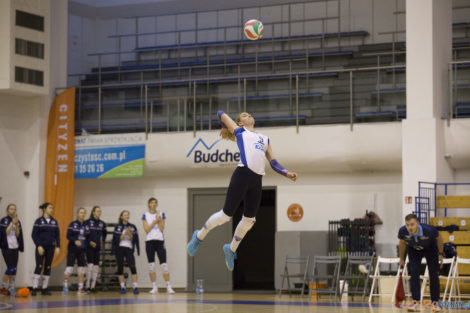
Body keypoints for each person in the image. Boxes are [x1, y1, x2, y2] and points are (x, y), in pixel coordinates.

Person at [187, 111, 298, 271]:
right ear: (239, 123)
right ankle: (199, 236)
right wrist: (226, 125)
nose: (249, 115)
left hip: (257, 180)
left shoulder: (265, 139)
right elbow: (219, 113)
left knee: (249, 221)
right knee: (226, 216)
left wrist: (286, 173)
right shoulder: (240, 131)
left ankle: (230, 250)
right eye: (244, 115)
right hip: (242, 175)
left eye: (250, 114)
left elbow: (273, 162)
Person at [398, 213, 443, 309]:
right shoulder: (402, 231)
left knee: (433, 273)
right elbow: (402, 243)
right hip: (414, 250)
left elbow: (439, 238)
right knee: (414, 273)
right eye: (407, 225)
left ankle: (435, 303)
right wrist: (401, 258)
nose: (409, 227)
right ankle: (416, 303)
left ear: (417, 223)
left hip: (430, 249)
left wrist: (440, 254)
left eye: (412, 224)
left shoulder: (429, 230)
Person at [142, 197, 175, 294]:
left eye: (155, 203)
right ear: (149, 204)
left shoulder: (161, 214)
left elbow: (161, 228)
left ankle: (168, 286)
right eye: (152, 202)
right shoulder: (145, 215)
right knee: (151, 265)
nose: (154, 204)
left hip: (160, 241)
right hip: (149, 242)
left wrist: (159, 220)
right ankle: (154, 286)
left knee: (164, 265)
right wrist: (155, 221)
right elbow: (147, 229)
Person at [31, 202, 60, 296]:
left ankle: (44, 288)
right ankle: (34, 288)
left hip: (51, 247)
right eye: (50, 208)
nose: (51, 209)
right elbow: (34, 235)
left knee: (48, 267)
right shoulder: (38, 221)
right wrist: (38, 245)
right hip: (41, 248)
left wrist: (58, 246)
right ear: (44, 209)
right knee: (39, 266)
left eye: (52, 208)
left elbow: (57, 235)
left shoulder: (54, 221)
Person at [112, 210, 140, 295]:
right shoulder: (118, 226)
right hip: (120, 248)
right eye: (125, 215)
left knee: (132, 267)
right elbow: (116, 239)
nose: (126, 216)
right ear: (121, 217)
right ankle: (122, 287)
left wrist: (130, 234)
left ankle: (135, 287)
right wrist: (124, 234)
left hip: (129, 249)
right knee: (120, 267)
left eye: (128, 215)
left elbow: (134, 239)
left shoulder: (132, 226)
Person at [63, 207, 89, 294]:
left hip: (82, 250)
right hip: (72, 249)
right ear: (77, 214)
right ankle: (65, 285)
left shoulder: (86, 225)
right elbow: (68, 235)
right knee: (69, 268)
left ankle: (80, 289)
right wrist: (75, 240)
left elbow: (87, 237)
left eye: (84, 213)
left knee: (81, 269)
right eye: (81, 212)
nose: (83, 214)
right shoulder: (72, 224)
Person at [0, 204, 24, 296]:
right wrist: (11, 223)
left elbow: (18, 234)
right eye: (11, 209)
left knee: (14, 268)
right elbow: (5, 232)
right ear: (7, 210)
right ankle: (3, 287)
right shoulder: (4, 220)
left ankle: (11, 287)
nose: (13, 211)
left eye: (14, 209)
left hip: (15, 247)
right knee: (10, 267)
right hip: (6, 247)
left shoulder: (17, 221)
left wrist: (16, 225)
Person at [84, 205, 107, 293]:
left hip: (97, 247)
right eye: (97, 211)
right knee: (90, 266)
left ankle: (93, 287)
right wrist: (90, 241)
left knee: (96, 267)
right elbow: (85, 234)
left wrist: (102, 240)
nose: (99, 213)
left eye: (100, 211)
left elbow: (104, 233)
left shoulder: (102, 223)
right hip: (89, 247)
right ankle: (87, 287)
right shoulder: (87, 222)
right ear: (93, 212)